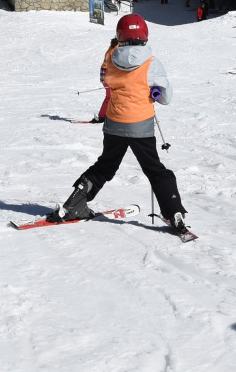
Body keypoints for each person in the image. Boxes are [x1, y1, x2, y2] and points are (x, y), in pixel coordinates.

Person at [50, 14, 190, 237]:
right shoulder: (151, 63)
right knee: (155, 170)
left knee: (105, 166)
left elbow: (107, 82)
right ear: (144, 34)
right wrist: (153, 91)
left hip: (114, 123)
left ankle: (74, 204)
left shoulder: (112, 58)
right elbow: (166, 98)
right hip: (140, 126)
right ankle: (174, 213)